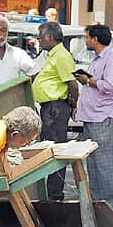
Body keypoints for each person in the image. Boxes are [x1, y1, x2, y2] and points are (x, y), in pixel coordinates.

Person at [74, 24, 113, 212]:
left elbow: (111, 85)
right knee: (93, 163)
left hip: (104, 116)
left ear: (95, 39)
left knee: (104, 163)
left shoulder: (111, 59)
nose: (86, 41)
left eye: (87, 37)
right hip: (92, 116)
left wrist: (88, 81)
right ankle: (98, 202)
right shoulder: (97, 59)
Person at [32, 21, 78, 201]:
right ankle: (52, 191)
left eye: (40, 37)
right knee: (48, 148)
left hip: (56, 108)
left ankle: (55, 193)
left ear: (50, 38)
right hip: (49, 107)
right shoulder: (51, 54)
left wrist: (73, 105)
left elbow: (72, 85)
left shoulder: (60, 55)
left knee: (55, 150)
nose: (39, 40)